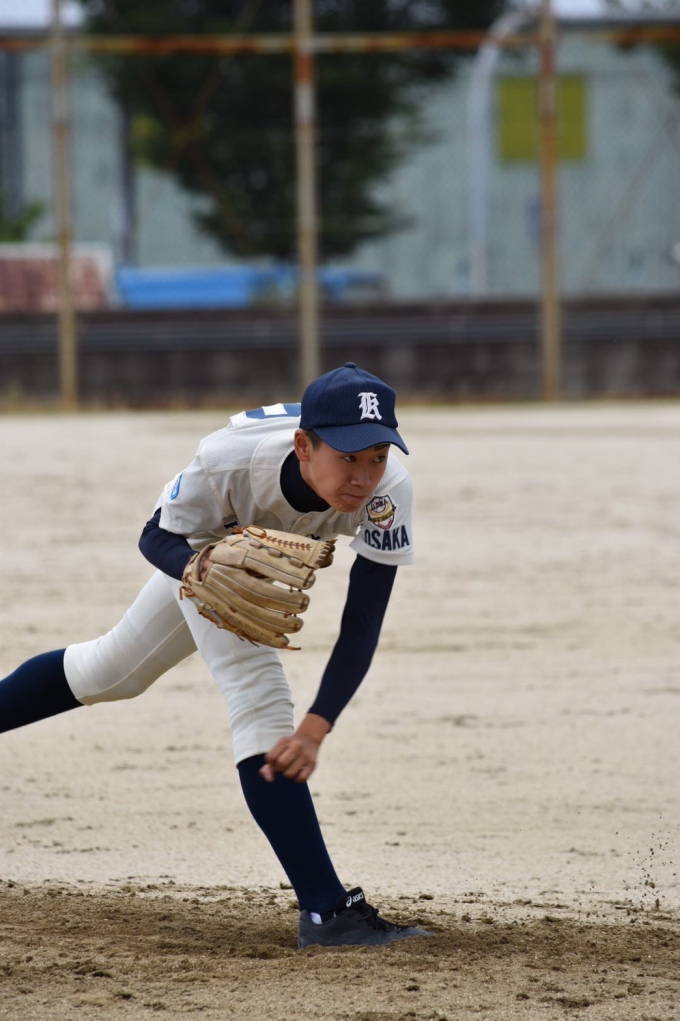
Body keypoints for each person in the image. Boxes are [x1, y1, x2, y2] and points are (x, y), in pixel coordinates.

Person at [0, 362, 430, 948]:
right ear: (304, 446)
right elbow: (156, 535)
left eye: (377, 455)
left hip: (230, 551)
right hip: (204, 545)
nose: (364, 475)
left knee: (112, 670)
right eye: (349, 456)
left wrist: (318, 725)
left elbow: (362, 621)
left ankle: (326, 912)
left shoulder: (388, 491)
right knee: (260, 696)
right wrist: (197, 568)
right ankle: (327, 913)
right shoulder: (227, 462)